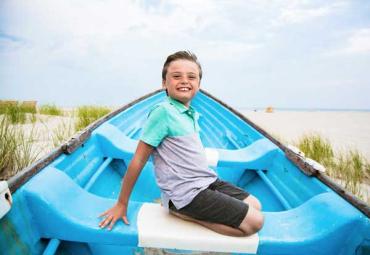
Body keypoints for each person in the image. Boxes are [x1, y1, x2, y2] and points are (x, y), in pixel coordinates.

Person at [99, 51, 264, 237]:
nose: (184, 81)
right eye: (176, 76)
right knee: (254, 224)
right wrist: (122, 203)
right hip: (187, 194)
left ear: (198, 85)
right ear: (164, 83)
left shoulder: (190, 113)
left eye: (191, 77)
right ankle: (185, 213)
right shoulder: (163, 113)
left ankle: (184, 209)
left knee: (256, 205)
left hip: (207, 181)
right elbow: (138, 159)